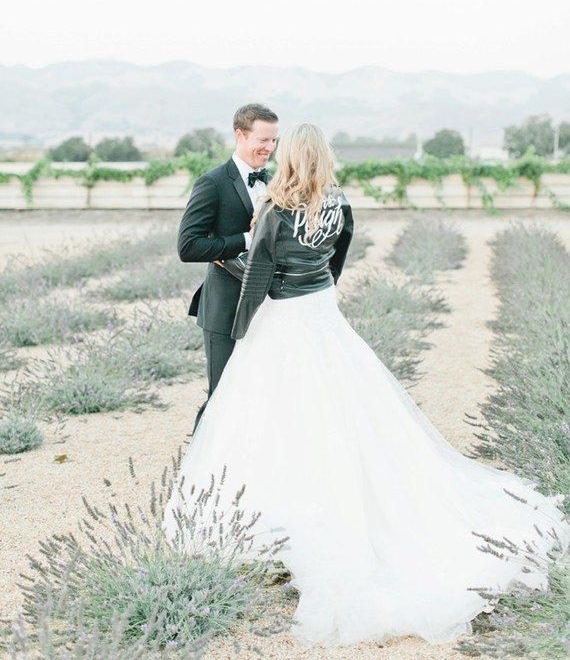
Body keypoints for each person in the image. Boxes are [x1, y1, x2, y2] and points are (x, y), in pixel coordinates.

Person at [165, 124, 569, 648]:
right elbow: (338, 258)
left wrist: (242, 330)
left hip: (283, 320)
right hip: (322, 315)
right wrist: (317, 284)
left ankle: (275, 510)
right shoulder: (337, 203)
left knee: (269, 414)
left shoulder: (274, 209)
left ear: (288, 157)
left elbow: (260, 277)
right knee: (340, 410)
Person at [177, 102, 278, 428]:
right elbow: (188, 246)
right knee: (222, 394)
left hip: (267, 307)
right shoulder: (213, 182)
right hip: (225, 308)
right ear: (240, 134)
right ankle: (196, 469)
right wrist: (245, 240)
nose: (270, 148)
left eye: (274, 140)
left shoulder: (275, 181)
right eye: (263, 140)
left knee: (261, 392)